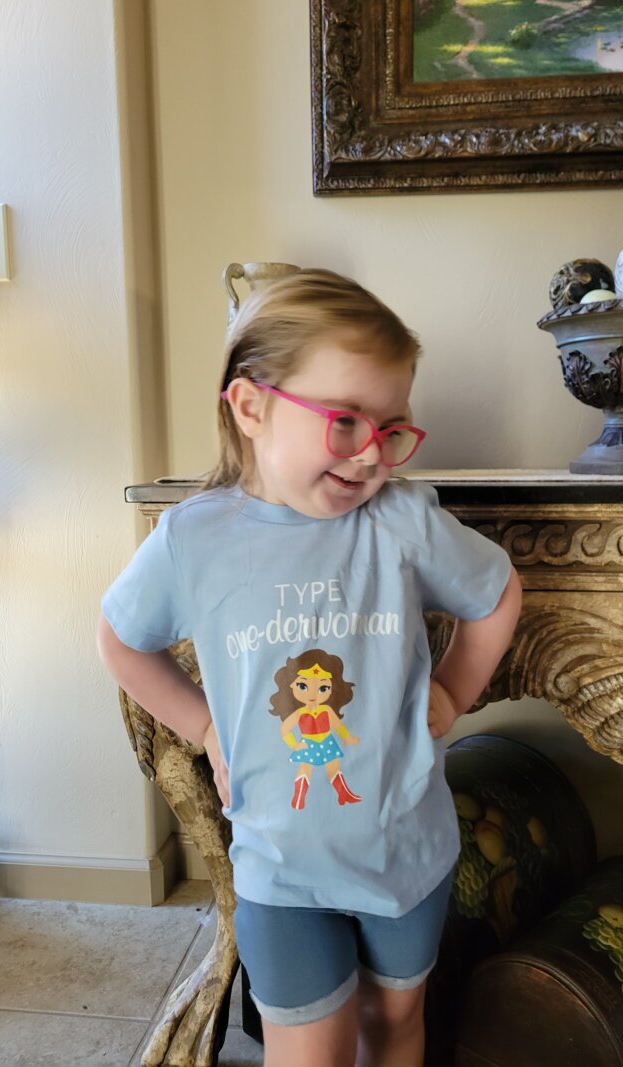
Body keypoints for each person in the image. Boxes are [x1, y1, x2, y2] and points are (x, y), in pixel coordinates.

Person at [97, 269, 522, 1067]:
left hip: (406, 854)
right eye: (345, 420)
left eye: (391, 428)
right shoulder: (194, 539)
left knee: (393, 1024)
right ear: (250, 406)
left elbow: (496, 594)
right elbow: (120, 641)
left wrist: (453, 689)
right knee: (307, 1047)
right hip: (278, 869)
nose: (371, 453)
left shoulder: (400, 522)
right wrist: (204, 725)